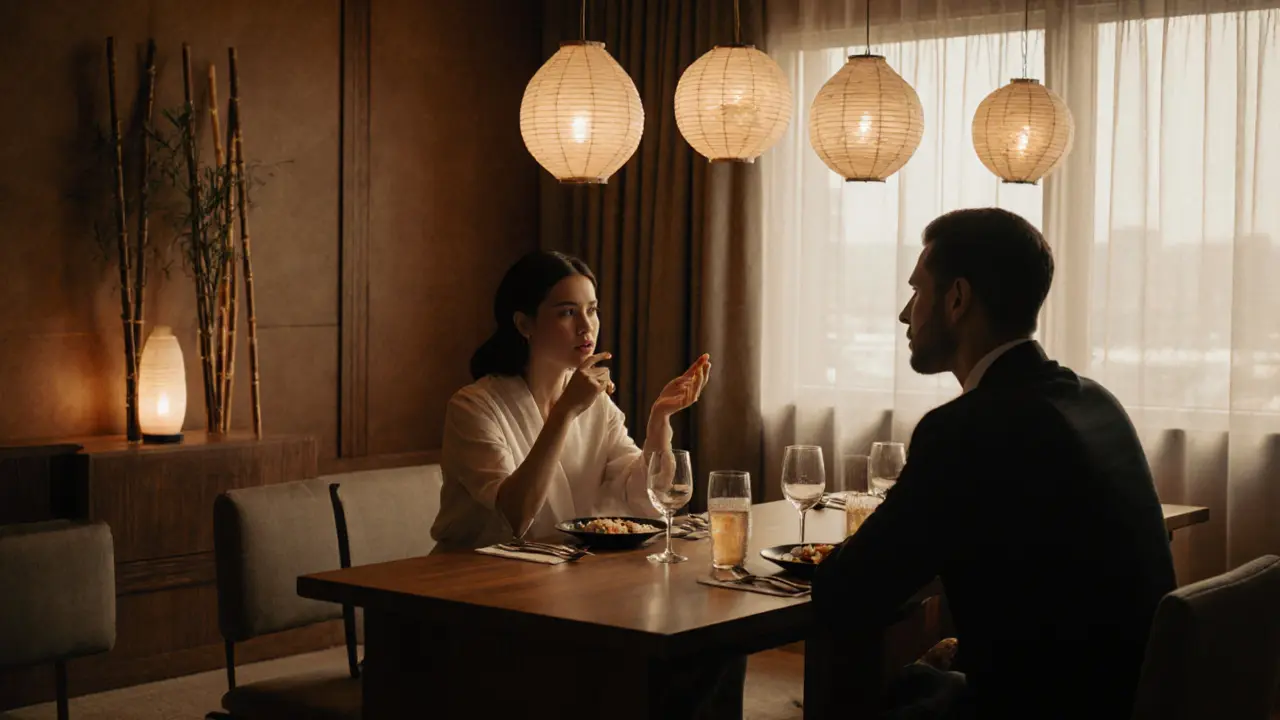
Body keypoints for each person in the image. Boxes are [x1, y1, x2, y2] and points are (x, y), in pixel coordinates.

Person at [812, 209, 1176, 719]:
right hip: (1123, 695)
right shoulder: (1095, 400)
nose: (904, 313)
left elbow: (850, 593)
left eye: (918, 291)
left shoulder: (964, 429)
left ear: (957, 299)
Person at [433, 250, 744, 719]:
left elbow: (640, 498)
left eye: (592, 309)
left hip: (569, 591)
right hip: (481, 602)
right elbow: (515, 516)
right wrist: (563, 414)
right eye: (566, 312)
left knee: (714, 647)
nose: (587, 327)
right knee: (650, 669)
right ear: (524, 324)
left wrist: (660, 418)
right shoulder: (475, 406)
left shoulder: (594, 404)